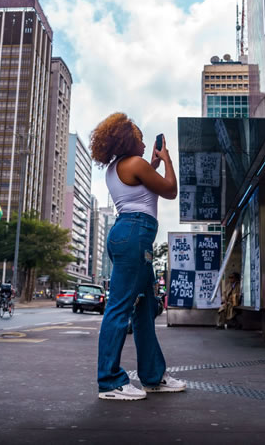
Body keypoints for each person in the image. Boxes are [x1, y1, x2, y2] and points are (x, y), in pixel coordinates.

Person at [90, 112, 186, 401]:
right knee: (119, 308)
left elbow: (142, 186)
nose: (145, 145)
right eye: (141, 140)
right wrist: (167, 160)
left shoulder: (117, 168)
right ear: (128, 140)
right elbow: (170, 190)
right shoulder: (135, 164)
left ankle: (153, 377)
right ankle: (109, 382)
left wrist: (152, 165)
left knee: (144, 309)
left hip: (129, 236)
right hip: (134, 236)